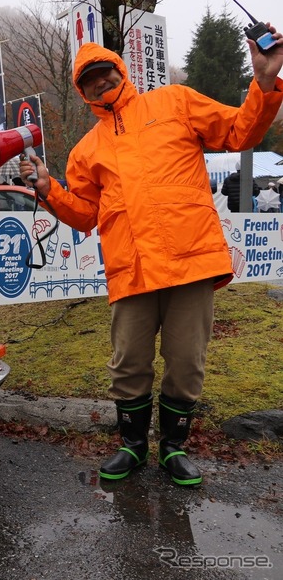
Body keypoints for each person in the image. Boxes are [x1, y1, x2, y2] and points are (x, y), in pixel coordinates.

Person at [20, 30, 283, 487]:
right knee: (129, 363)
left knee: (186, 363)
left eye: (105, 74)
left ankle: (173, 449)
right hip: (132, 269)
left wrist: (264, 82)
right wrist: (48, 189)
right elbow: (84, 216)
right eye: (90, 82)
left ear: (120, 71)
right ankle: (133, 446)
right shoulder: (85, 151)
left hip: (192, 260)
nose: (100, 84)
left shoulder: (175, 102)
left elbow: (241, 131)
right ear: (82, 93)